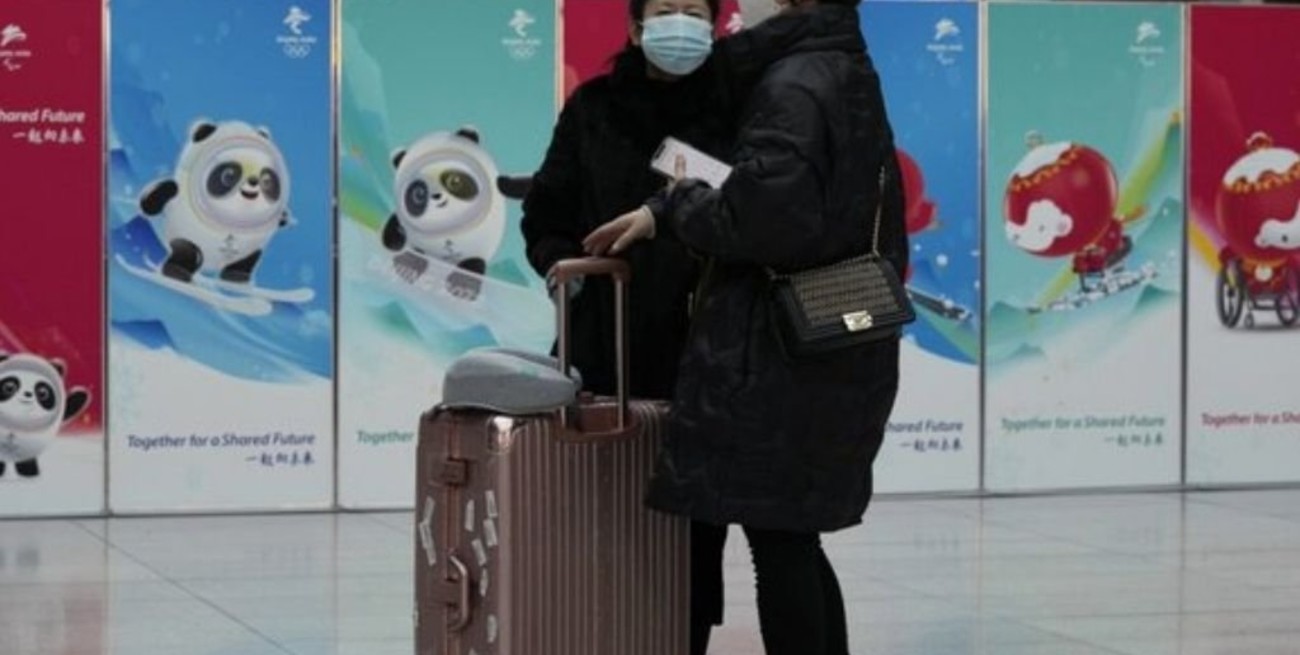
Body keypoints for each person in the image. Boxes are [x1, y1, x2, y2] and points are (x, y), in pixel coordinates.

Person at [585, 1, 908, 653]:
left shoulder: (794, 83)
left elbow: (761, 220)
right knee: (792, 536)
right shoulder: (841, 68)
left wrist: (677, 203)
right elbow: (788, 194)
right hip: (825, 340)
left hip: (775, 355)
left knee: (779, 545)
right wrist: (667, 208)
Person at [521, 0, 727, 401]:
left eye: (693, 14)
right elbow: (545, 209)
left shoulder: (736, 111)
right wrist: (563, 268)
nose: (680, 25)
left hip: (706, 342)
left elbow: (750, 208)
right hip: (601, 334)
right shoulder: (593, 107)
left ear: (712, 31)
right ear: (636, 29)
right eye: (665, 12)